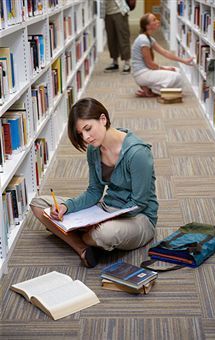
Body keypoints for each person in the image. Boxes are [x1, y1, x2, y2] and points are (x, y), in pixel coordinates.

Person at [30, 98, 158, 268]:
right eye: (81, 134)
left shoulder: (138, 153)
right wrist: (66, 207)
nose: (86, 137)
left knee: (104, 233)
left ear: (103, 119)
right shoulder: (93, 150)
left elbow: (139, 203)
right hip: (104, 210)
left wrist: (104, 221)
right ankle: (82, 247)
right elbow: (94, 192)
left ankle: (79, 234)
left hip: (138, 218)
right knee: (38, 204)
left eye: (88, 129)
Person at [131, 13, 194, 97]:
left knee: (177, 70)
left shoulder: (149, 38)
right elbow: (149, 64)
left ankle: (150, 88)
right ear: (148, 26)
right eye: (154, 20)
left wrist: (184, 61)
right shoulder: (143, 40)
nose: (158, 21)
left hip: (145, 71)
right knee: (177, 76)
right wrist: (165, 68)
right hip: (142, 74)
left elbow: (165, 52)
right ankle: (152, 90)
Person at [104, 0, 131, 74]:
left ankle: (127, 63)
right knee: (111, 39)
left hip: (120, 12)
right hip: (107, 13)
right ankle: (115, 62)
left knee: (123, 38)